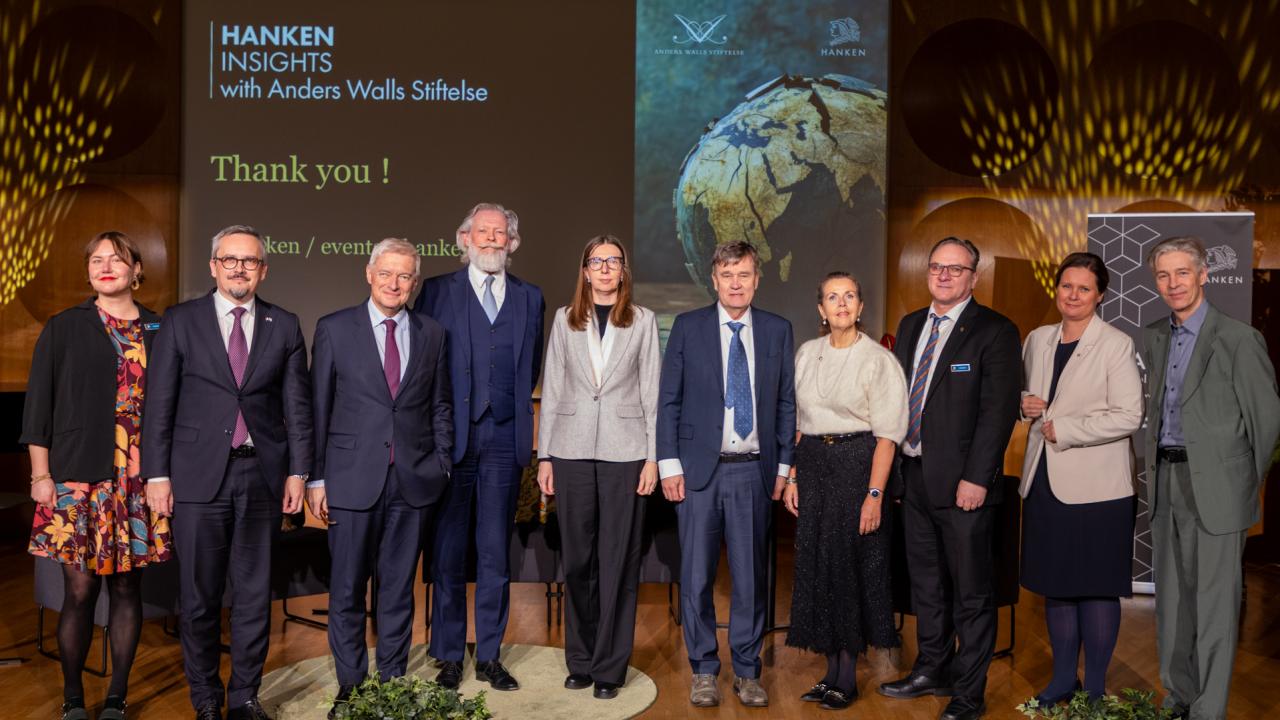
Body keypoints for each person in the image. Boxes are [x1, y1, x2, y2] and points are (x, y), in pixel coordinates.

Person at [142, 225, 313, 720]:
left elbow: (297, 408)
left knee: (255, 595)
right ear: (214, 266)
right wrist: (156, 475)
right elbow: (159, 406)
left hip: (261, 476)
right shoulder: (180, 321)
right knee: (199, 596)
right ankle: (205, 697)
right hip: (195, 479)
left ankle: (243, 695)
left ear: (263, 269)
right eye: (230, 260)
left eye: (250, 261)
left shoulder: (284, 324)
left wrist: (299, 472)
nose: (240, 268)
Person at [22, 231, 172, 720]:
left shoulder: (160, 329)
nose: (105, 266)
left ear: (135, 270)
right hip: (74, 481)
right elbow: (37, 408)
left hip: (137, 482)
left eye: (116, 259)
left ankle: (116, 699)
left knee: (128, 590)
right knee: (80, 590)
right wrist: (39, 476)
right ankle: (72, 700)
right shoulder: (64, 326)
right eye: (96, 260)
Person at [308, 239, 453, 718]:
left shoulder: (432, 332)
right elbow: (318, 409)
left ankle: (391, 683)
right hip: (350, 480)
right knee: (347, 589)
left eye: (405, 276)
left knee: (396, 590)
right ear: (368, 274)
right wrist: (316, 479)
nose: (395, 284)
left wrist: (442, 463)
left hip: (412, 481)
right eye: (386, 274)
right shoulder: (334, 329)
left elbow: (440, 405)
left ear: (415, 281)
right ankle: (352, 686)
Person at [878, 236, 1020, 720]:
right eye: (936, 267)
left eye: (954, 269)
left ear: (973, 277)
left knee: (973, 594)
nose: (943, 275)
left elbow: (997, 413)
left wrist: (978, 478)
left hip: (965, 487)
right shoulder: (913, 323)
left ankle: (968, 694)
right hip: (914, 479)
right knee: (927, 586)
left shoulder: (996, 331)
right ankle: (931, 669)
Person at [1142, 236, 1280, 720]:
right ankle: (1178, 699)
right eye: (1163, 275)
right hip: (1165, 483)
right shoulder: (1154, 335)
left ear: (1204, 275)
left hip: (1218, 492)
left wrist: (1239, 481)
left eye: (1182, 273)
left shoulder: (1240, 339)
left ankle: (1208, 711)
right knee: (1172, 604)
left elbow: (1266, 424)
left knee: (1216, 608)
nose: (1173, 283)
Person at [657, 240, 796, 709]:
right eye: (727, 275)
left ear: (757, 279)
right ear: (713, 279)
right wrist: (668, 464)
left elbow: (784, 403)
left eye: (744, 274)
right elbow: (668, 400)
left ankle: (749, 671)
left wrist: (782, 468)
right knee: (695, 576)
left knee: (750, 579)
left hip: (753, 472)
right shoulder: (687, 327)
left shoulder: (778, 330)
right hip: (697, 472)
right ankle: (703, 669)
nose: (736, 283)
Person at [413, 202, 545, 691]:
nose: (492, 240)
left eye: (501, 233)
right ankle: (448, 654)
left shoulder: (531, 297)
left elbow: (529, 367)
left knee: (494, 554)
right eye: (482, 231)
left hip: (503, 441)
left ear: (512, 243)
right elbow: (425, 365)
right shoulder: (435, 292)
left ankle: (489, 654)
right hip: (451, 440)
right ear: (463, 238)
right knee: (447, 552)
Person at [536, 235, 661, 700]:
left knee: (618, 561)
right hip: (569, 451)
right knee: (580, 560)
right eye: (597, 261)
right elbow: (553, 387)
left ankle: (610, 666)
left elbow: (652, 390)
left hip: (625, 452)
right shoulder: (564, 319)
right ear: (585, 271)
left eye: (614, 261)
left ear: (624, 271)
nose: (606, 268)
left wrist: (653, 456)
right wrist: (544, 454)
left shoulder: (643, 321)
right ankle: (581, 659)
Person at [1018, 252, 1142, 706]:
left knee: (1095, 586)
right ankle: (1062, 679)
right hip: (1044, 481)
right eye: (1066, 286)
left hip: (1099, 489)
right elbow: (1029, 397)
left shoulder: (1115, 343)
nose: (1073, 295)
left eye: (1083, 288)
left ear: (1100, 295)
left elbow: (1130, 415)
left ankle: (1094, 688)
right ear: (1057, 289)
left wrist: (1066, 430)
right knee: (1057, 584)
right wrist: (1023, 405)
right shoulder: (1038, 338)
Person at [782, 271, 907, 711]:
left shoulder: (878, 360)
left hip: (859, 466)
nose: (841, 304)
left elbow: (888, 437)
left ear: (860, 307)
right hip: (814, 465)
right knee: (820, 567)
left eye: (849, 296)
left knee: (851, 570)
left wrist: (874, 495)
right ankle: (829, 672)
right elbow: (797, 424)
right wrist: (794, 477)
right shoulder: (806, 354)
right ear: (820, 309)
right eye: (832, 297)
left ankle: (848, 678)